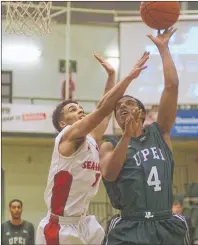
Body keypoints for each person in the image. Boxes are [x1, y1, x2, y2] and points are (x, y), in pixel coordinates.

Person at [36, 52, 149, 245]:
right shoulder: (68, 136)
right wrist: (128, 77)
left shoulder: (91, 139)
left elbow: (103, 114)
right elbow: (103, 110)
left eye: (80, 107)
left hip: (84, 222)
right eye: (72, 109)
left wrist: (111, 76)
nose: (79, 110)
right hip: (60, 227)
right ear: (63, 123)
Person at [100, 28, 190, 245]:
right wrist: (126, 137)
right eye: (118, 106)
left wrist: (163, 48)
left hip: (165, 223)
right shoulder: (109, 145)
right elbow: (110, 174)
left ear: (142, 113)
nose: (122, 107)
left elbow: (172, 86)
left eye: (129, 103)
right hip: (130, 226)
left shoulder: (160, 132)